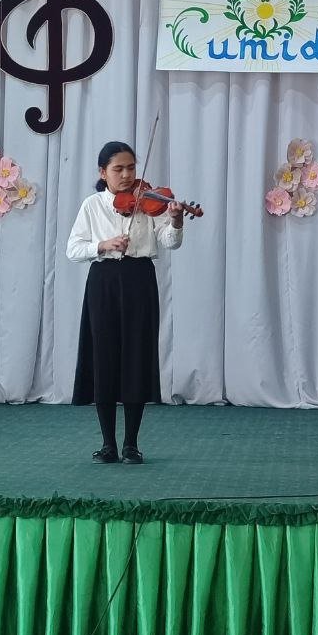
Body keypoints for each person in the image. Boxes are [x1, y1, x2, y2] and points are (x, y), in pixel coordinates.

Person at [66, 141, 185, 463]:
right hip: (103, 282)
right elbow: (73, 249)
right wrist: (102, 245)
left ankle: (131, 444)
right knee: (103, 357)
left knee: (137, 356)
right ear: (102, 172)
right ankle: (108, 444)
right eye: (118, 169)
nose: (126, 175)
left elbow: (170, 242)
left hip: (139, 279)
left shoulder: (149, 200)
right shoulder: (92, 205)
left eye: (131, 167)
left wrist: (176, 221)